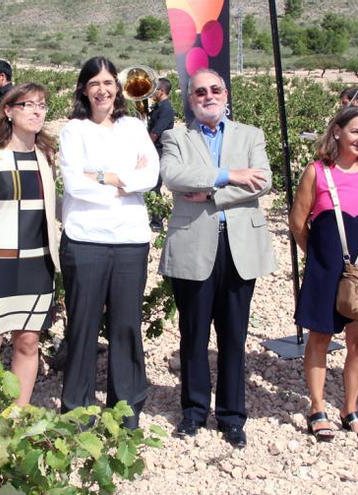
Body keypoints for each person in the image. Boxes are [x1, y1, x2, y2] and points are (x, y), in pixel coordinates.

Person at [160, 68, 276, 448]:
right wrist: (231, 174)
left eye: (214, 90)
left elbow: (263, 180)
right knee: (193, 334)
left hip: (240, 247)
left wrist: (211, 192)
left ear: (225, 94)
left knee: (234, 335)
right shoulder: (175, 136)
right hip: (193, 245)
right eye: (199, 92)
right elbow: (174, 176)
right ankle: (193, 412)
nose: (208, 96)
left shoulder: (251, 134)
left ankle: (231, 416)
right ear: (190, 99)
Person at [58, 56, 159, 428]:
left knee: (126, 326)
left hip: (130, 240)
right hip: (85, 239)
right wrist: (121, 182)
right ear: (84, 89)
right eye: (94, 83)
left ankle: (126, 408)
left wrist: (106, 177)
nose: (102, 89)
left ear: (117, 87)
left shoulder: (134, 126)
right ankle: (76, 408)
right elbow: (74, 184)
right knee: (82, 325)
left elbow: (150, 174)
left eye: (108, 82)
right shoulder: (74, 131)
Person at [289, 106, 358, 443]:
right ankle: (317, 407)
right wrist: (317, 258)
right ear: (338, 131)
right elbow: (298, 222)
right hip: (326, 269)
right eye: (356, 131)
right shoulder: (317, 172)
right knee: (320, 338)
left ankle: (350, 409)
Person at [0, 83, 60, 406]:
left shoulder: (46, 156)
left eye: (42, 105)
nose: (37, 111)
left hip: (37, 262)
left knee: (28, 342)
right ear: (8, 110)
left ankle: (17, 418)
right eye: (28, 105)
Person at [147, 77, 175, 231]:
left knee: (155, 186)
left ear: (162, 91)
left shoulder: (166, 110)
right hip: (153, 149)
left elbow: (155, 133)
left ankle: (157, 222)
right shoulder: (158, 107)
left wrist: (142, 147)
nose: (151, 92)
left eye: (154, 90)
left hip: (158, 150)